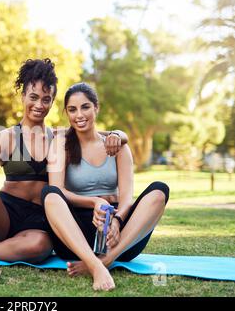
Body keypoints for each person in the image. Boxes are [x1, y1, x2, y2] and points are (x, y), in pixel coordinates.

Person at [0, 59, 128, 285]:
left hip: (40, 221)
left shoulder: (61, 136)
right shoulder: (7, 137)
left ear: (53, 101)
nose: (39, 105)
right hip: (5, 215)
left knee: (40, 247)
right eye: (33, 97)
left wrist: (120, 135)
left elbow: (101, 132)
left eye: (46, 99)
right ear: (23, 96)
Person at [41, 82, 170, 291]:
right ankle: (95, 266)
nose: (79, 115)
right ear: (66, 113)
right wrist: (95, 201)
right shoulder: (61, 144)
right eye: (72, 109)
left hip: (118, 237)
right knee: (50, 195)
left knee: (159, 190)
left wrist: (117, 221)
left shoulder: (117, 144)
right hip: (75, 235)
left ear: (96, 108)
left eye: (85, 107)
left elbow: (127, 197)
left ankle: (106, 260)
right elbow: (58, 190)